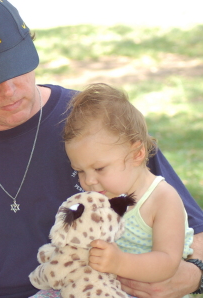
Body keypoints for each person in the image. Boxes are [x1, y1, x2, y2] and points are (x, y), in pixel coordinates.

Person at [0, 0, 203, 297]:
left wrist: (194, 273)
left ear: (31, 48)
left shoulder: (97, 125)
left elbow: (194, 230)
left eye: (14, 67)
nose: (8, 90)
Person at [31, 83, 195, 298]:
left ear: (137, 153)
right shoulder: (101, 198)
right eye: (79, 170)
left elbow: (168, 262)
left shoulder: (162, 198)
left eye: (99, 168)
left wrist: (120, 263)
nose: (88, 181)